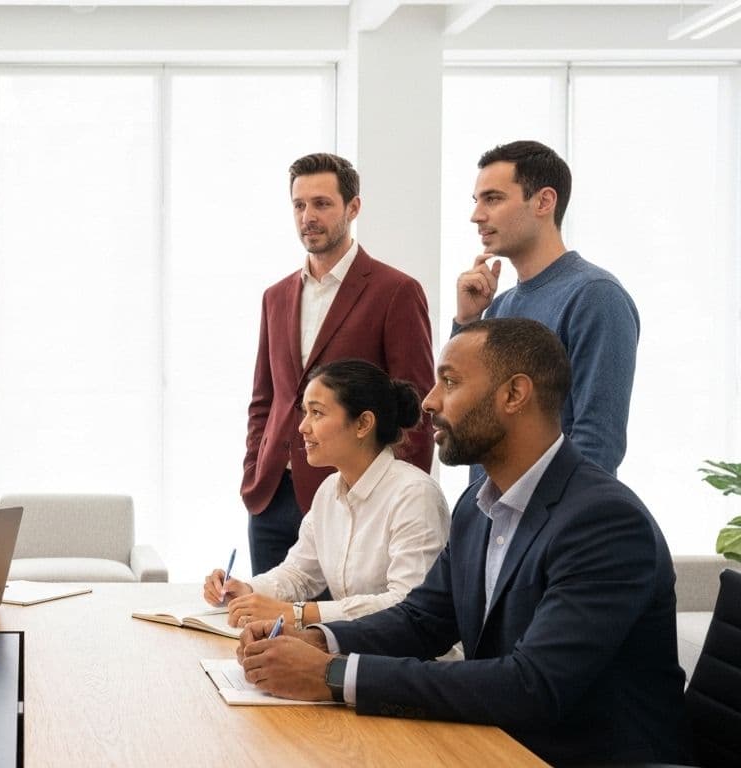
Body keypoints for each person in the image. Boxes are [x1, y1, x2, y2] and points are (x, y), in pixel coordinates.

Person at [236, 318, 689, 765]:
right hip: (499, 744)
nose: (430, 401)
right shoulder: (477, 504)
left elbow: (533, 686)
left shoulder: (603, 521)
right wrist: (314, 640)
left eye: (449, 382)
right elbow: (423, 619)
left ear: (514, 394)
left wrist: (333, 675)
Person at [243, 153, 435, 575]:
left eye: (322, 204)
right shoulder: (276, 296)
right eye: (299, 205)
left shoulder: (395, 291)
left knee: (337, 633)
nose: (308, 216)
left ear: (353, 207)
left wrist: (399, 500)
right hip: (272, 496)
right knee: (266, 626)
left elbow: (419, 406)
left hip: (355, 503)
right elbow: (267, 398)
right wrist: (255, 469)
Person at [209, 359, 448, 632]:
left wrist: (298, 613)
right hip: (358, 652)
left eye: (317, 413)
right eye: (304, 412)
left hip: (414, 663)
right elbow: (299, 574)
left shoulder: (414, 494)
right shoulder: (328, 491)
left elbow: (406, 603)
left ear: (363, 424)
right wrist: (246, 590)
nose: (302, 427)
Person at [455, 139, 638, 475]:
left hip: (555, 520)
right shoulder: (499, 307)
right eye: (477, 201)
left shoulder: (595, 295)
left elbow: (599, 439)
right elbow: (465, 414)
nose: (476, 216)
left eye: (492, 199)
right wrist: (468, 321)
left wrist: (550, 521)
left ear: (544, 201)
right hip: (493, 516)